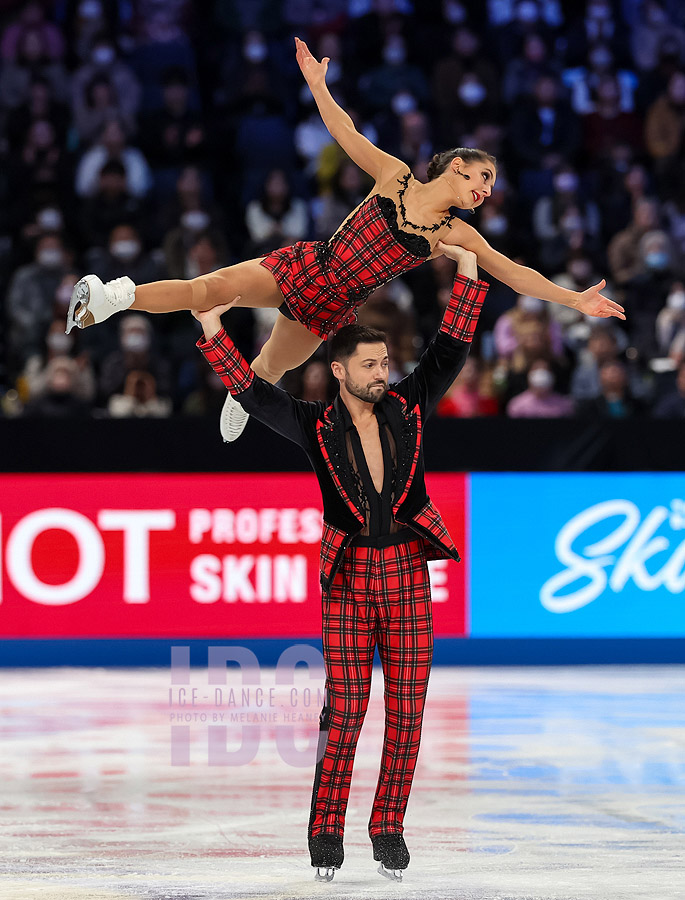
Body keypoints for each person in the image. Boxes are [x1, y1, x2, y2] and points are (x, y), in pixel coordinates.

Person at [66, 37, 625, 442]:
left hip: (333, 306)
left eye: (492, 185)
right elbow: (345, 132)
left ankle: (244, 395)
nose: (486, 189)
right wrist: (317, 85)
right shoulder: (395, 174)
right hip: (308, 265)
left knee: (269, 372)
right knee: (206, 289)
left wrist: (575, 299)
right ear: (454, 166)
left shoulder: (455, 233)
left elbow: (514, 273)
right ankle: (115, 295)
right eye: (481, 176)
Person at [193, 243, 488, 883]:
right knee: (346, 710)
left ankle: (389, 826)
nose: (385, 372)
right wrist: (212, 328)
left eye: (386, 362)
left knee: (408, 711)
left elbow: (450, 350)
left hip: (409, 574)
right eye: (372, 364)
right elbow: (250, 390)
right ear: (339, 369)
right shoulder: (313, 425)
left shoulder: (409, 406)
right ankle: (326, 830)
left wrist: (468, 275)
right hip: (350, 582)